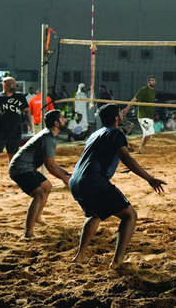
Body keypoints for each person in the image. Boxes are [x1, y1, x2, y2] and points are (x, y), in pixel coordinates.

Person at [69, 103, 167, 268]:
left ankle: (80, 256)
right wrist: (149, 178)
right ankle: (117, 261)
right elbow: (126, 158)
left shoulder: (96, 133)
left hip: (76, 182)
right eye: (121, 113)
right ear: (116, 118)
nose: (123, 115)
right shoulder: (116, 133)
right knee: (130, 215)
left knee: (94, 215)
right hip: (94, 181)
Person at [8, 110, 72, 238]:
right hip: (21, 169)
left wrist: (66, 173)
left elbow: (52, 163)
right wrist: (65, 179)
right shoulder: (48, 138)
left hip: (25, 167)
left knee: (47, 186)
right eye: (62, 118)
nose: (65, 120)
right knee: (38, 194)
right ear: (56, 123)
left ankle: (37, 217)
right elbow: (50, 165)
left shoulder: (48, 135)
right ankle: (28, 233)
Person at [0, 76, 33, 182]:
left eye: (15, 84)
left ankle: (12, 176)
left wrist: (30, 122)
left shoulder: (19, 96)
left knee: (13, 154)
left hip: (15, 130)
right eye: (12, 85)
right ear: (5, 85)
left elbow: (27, 110)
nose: (14, 86)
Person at [122, 76, 157, 154]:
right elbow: (135, 99)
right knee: (150, 132)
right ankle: (141, 148)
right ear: (148, 82)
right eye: (151, 80)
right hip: (143, 115)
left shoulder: (153, 91)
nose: (153, 82)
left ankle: (141, 148)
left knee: (148, 134)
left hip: (149, 115)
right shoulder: (144, 90)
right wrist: (127, 109)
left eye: (154, 80)